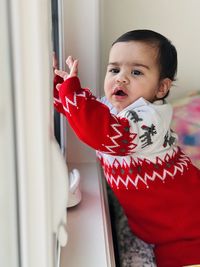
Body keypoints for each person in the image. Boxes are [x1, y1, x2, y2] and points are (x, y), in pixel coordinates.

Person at [53, 29, 200, 267]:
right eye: (114, 69)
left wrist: (72, 92)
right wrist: (57, 85)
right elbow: (80, 113)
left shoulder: (148, 118)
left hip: (187, 227)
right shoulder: (111, 108)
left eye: (136, 72)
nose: (121, 78)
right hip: (154, 223)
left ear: (161, 88)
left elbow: (102, 133)